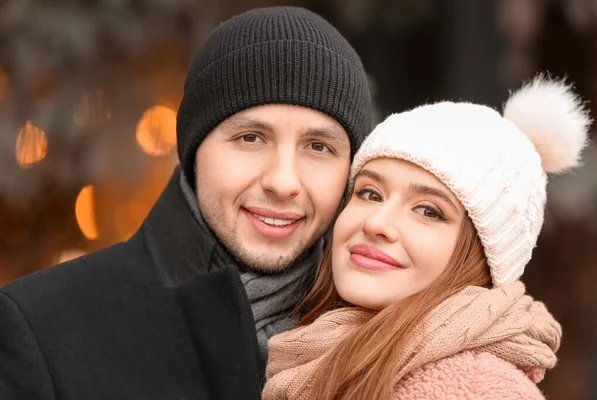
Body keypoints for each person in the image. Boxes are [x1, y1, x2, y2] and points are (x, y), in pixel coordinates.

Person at [0, 7, 372, 400]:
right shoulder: (43, 327)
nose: (283, 182)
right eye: (251, 138)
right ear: (194, 150)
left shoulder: (386, 332)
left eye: (318, 146)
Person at [263, 75, 590, 399]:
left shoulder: (474, 390)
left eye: (429, 211)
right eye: (370, 194)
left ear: (482, 256)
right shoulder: (309, 347)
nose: (378, 223)